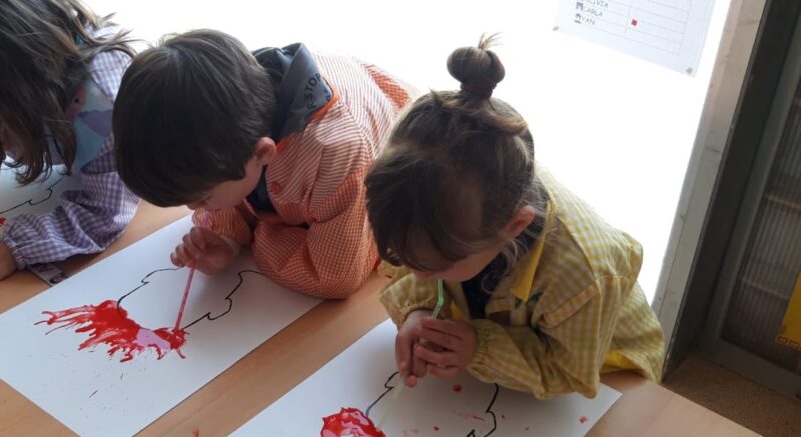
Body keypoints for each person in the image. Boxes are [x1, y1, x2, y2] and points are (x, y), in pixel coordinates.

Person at [366, 36, 664, 399]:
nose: (419, 275)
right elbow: (422, 272)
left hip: (609, 373)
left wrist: (480, 348)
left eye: (436, 265)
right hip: (505, 342)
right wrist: (418, 310)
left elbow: (568, 371)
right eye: (409, 261)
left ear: (515, 226)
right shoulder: (462, 207)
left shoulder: (584, 275)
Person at [112, 29, 414, 298]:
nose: (194, 209)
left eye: (203, 198)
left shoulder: (337, 154)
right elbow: (232, 182)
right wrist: (227, 238)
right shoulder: (232, 111)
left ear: (263, 154)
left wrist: (257, 235)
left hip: (401, 164)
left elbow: (336, 276)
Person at [0, 0, 140, 293]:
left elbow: (105, 214)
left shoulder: (103, 107)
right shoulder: (32, 51)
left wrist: (15, 248)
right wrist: (2, 123)